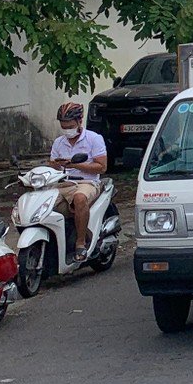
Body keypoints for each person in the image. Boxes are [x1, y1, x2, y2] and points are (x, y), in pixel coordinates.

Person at [49, 102, 108, 265]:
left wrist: (75, 165)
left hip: (87, 182)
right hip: (62, 184)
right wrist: (56, 164)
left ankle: (80, 243)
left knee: (80, 198)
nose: (67, 129)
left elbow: (101, 167)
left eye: (70, 125)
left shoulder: (94, 139)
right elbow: (53, 164)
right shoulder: (59, 143)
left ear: (79, 121)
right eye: (64, 126)